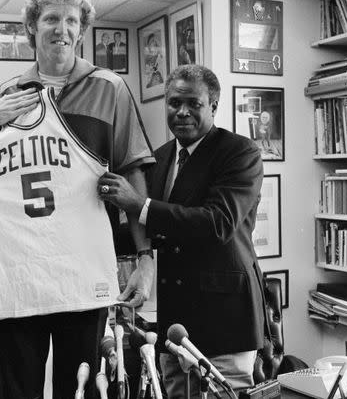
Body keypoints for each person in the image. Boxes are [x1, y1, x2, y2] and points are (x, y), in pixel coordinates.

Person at [0, 0, 155, 399]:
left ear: (82, 30)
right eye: (51, 18)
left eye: (72, 20)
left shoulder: (110, 88)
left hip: (81, 273)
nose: (62, 29)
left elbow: (132, 174)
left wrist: (145, 257)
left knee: (82, 385)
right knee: (17, 389)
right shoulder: (11, 93)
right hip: (21, 272)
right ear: (31, 27)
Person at [97, 64, 267, 397]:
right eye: (174, 103)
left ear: (213, 106)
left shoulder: (240, 153)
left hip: (224, 326)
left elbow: (215, 223)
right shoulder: (158, 159)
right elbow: (154, 228)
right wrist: (94, 229)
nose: (182, 112)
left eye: (193, 103)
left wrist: (139, 205)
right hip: (173, 324)